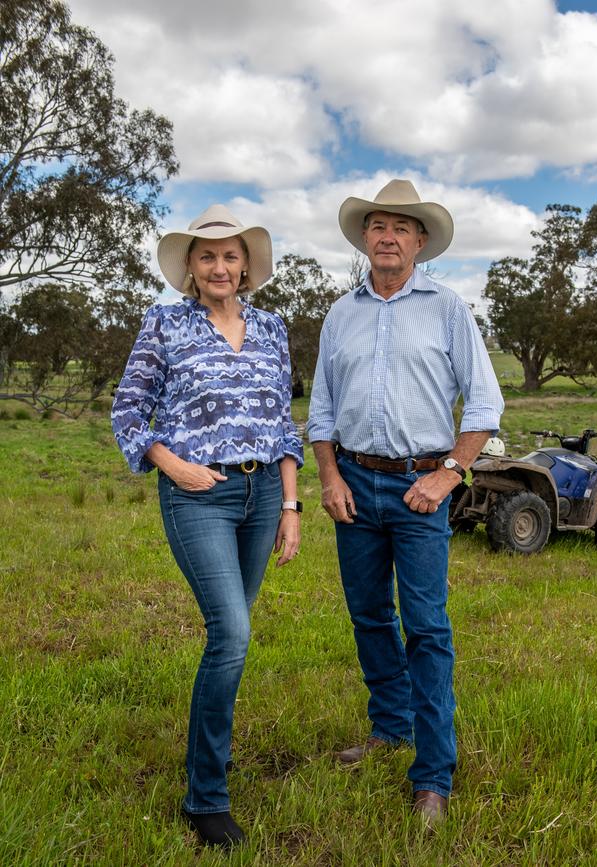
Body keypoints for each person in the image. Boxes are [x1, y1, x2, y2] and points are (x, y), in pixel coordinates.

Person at [306, 179, 504, 825]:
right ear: (365, 238)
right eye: (377, 225)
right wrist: (330, 477)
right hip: (355, 485)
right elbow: (323, 408)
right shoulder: (342, 312)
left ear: (421, 242)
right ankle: (390, 728)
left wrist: (449, 475)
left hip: (422, 488)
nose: (386, 236)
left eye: (400, 227)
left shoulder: (447, 309)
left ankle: (433, 776)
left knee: (426, 627)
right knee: (369, 617)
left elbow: (483, 404)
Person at [112, 205, 303, 849]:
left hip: (262, 494)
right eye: (206, 256)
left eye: (230, 256)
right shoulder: (164, 323)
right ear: (190, 268)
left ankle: (206, 759)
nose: (219, 267)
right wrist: (176, 466)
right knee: (233, 631)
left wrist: (291, 506)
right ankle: (206, 799)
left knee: (231, 640)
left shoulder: (273, 328)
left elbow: (283, 424)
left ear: (245, 266)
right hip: (199, 495)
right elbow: (130, 410)